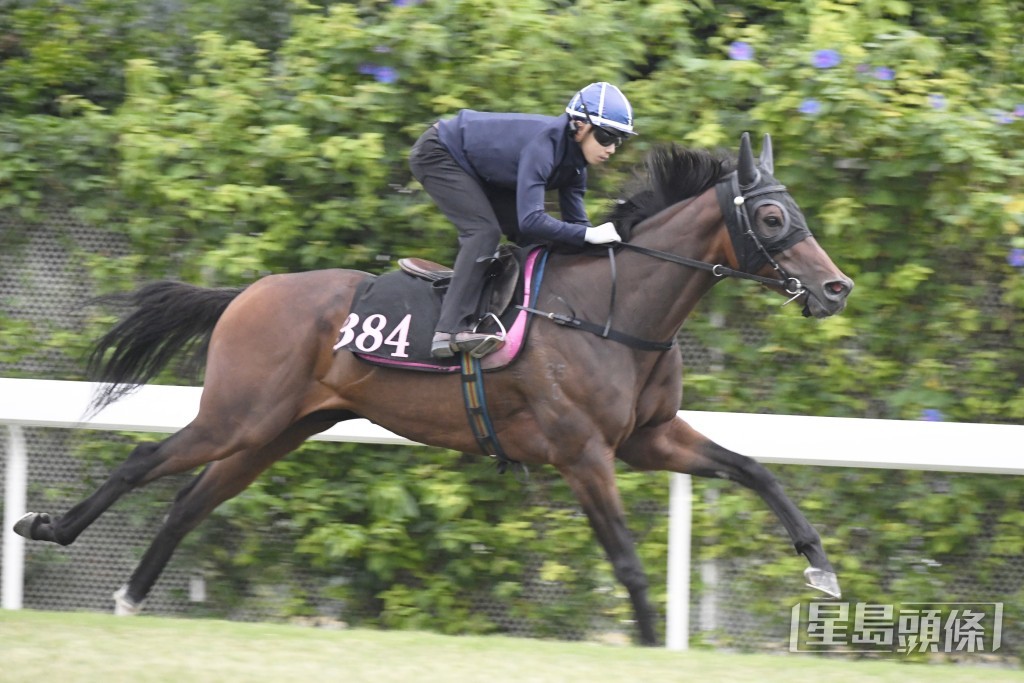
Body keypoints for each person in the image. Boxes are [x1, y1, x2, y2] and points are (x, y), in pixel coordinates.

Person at [409, 81, 637, 358]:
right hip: (439, 152)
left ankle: (505, 313)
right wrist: (588, 235)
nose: (612, 148)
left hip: (481, 170)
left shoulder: (576, 169)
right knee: (483, 232)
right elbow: (532, 219)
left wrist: (611, 248)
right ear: (579, 126)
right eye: (606, 137)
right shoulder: (543, 146)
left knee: (542, 241)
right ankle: (450, 330)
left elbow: (577, 229)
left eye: (619, 140)